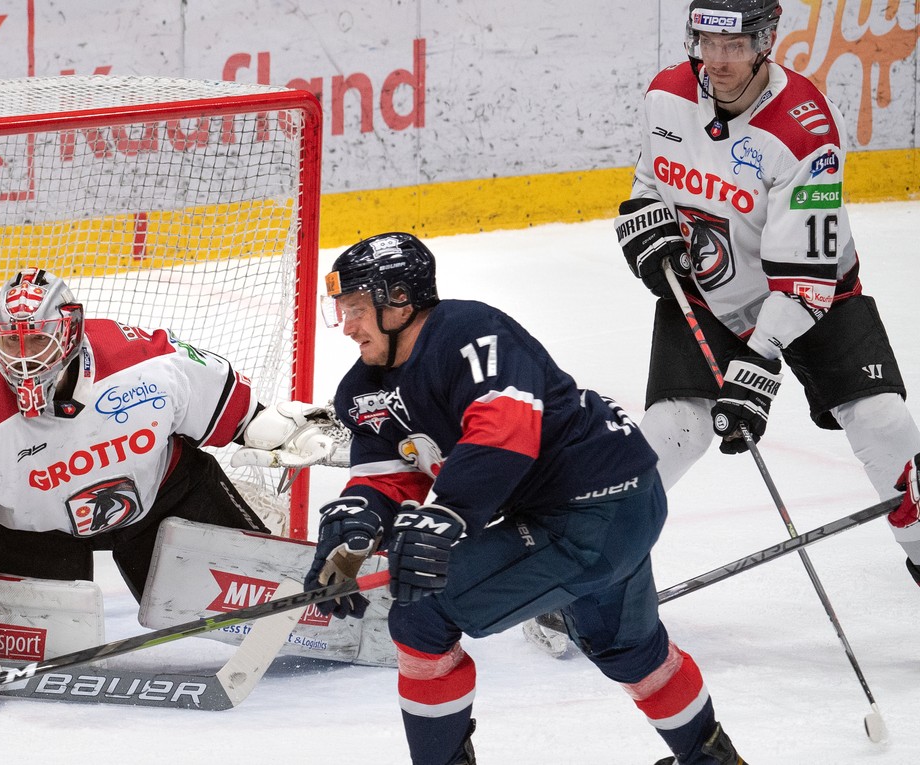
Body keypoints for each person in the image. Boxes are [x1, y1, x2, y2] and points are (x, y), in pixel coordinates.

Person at [304, 232, 746, 765]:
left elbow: (502, 431)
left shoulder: (469, 332)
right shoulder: (365, 388)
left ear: (399, 299)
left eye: (355, 308)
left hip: (590, 509)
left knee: (422, 617)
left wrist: (443, 517)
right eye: (341, 311)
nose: (347, 327)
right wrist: (354, 526)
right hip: (614, 501)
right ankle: (715, 761)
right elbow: (388, 476)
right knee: (630, 650)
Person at [0, 266, 331, 704]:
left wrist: (281, 431)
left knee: (266, 608)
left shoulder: (147, 362)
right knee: (59, 653)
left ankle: (320, 609)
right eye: (10, 341)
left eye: (38, 339)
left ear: (69, 331)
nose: (23, 358)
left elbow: (236, 409)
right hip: (37, 534)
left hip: (163, 501)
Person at [614, 0, 920, 582]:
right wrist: (644, 221)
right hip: (707, 293)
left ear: (766, 40)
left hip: (819, 297)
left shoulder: (805, 130)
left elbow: (804, 282)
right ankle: (585, 565)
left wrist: (755, 369)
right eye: (707, 42)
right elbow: (650, 180)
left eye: (733, 46)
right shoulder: (666, 94)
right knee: (673, 429)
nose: (717, 61)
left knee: (883, 422)